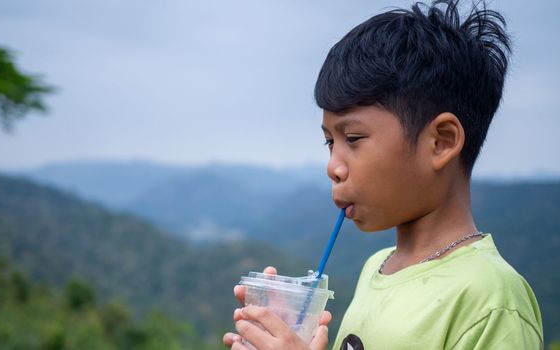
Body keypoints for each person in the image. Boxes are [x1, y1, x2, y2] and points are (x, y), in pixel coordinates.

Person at [223, 0, 544, 348]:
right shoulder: (378, 267)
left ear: (441, 142)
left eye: (353, 138)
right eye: (329, 142)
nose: (333, 166)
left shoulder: (492, 302)